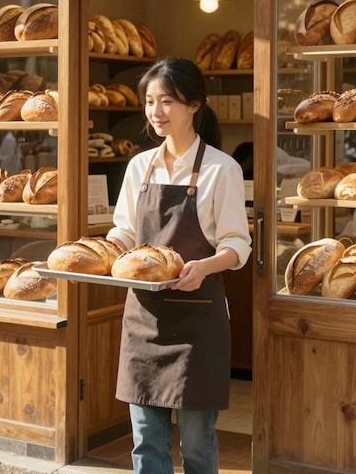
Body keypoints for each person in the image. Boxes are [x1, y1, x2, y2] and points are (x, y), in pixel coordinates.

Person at [105, 58, 252, 474]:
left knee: (197, 449)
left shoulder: (223, 169)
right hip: (144, 322)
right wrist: (106, 251)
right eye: (150, 101)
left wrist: (204, 267)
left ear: (194, 106)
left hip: (198, 325)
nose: (156, 112)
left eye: (166, 101)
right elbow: (126, 233)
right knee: (146, 447)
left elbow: (237, 245)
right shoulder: (140, 166)